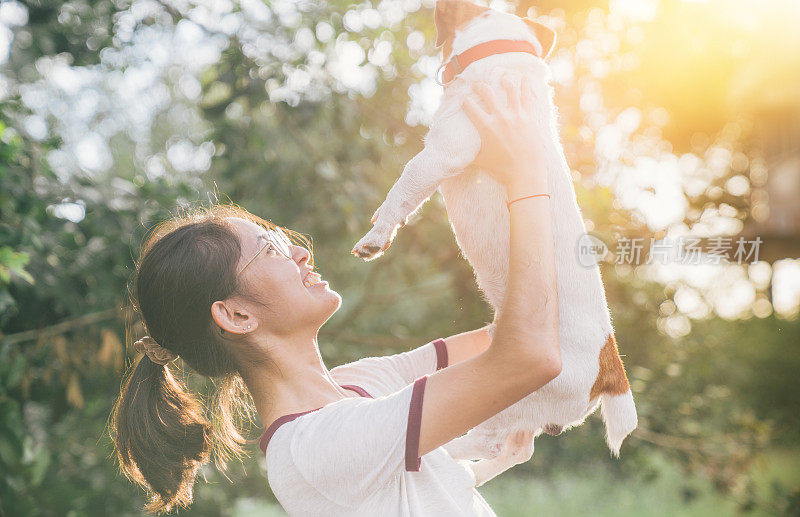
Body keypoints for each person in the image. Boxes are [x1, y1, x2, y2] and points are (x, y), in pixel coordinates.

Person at [110, 77, 560, 516]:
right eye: (272, 250)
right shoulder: (313, 448)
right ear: (236, 315)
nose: (301, 253)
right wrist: (527, 175)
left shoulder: (360, 386)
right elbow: (531, 354)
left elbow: (520, 332)